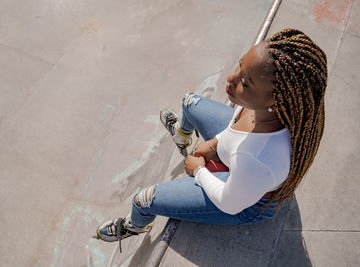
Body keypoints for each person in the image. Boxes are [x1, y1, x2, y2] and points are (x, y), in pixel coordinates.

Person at [93, 28, 328, 253]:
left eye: (245, 83)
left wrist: (199, 172)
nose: (231, 78)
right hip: (242, 167)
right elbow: (236, 131)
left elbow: (229, 203)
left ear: (275, 101)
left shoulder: (256, 161)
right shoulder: (264, 109)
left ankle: (136, 225)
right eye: (240, 65)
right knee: (189, 102)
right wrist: (215, 143)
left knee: (142, 200)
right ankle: (183, 138)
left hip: (243, 201)